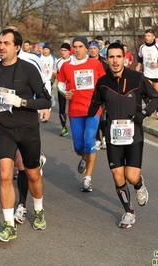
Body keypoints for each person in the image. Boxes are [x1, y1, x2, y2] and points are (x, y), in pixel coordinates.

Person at [0, 28, 52, 242]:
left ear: (16, 47)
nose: (1, 46)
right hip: (3, 128)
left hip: (27, 129)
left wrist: (23, 103)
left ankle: (39, 209)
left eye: (6, 43)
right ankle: (8, 225)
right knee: (5, 174)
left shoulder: (28, 69)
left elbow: (46, 100)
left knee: (32, 174)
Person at [88, 43, 158, 228]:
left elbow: (156, 98)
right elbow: (94, 104)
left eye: (118, 57)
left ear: (125, 59)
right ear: (107, 59)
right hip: (113, 137)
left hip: (134, 135)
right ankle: (129, 212)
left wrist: (143, 114)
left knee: (131, 176)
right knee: (118, 177)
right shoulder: (103, 82)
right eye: (111, 57)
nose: (115, 61)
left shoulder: (137, 78)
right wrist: (86, 120)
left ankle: (139, 185)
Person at [57, 36, 105, 192]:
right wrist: (65, 94)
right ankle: (84, 156)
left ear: (86, 48)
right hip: (75, 110)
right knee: (79, 146)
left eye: (80, 46)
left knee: (90, 141)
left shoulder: (95, 64)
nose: (77, 49)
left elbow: (103, 84)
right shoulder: (66, 66)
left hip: (93, 109)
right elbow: (60, 84)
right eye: (75, 47)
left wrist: (103, 99)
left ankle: (88, 178)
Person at [136, 29, 158, 120]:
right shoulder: (142, 47)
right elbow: (139, 57)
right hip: (146, 73)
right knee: (145, 93)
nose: (146, 37)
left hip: (156, 74)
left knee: (156, 95)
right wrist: (139, 65)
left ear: (153, 37)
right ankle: (149, 110)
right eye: (145, 36)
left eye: (148, 36)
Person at [88, 40, 107, 151]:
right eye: (90, 49)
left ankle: (104, 137)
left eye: (94, 48)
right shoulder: (86, 61)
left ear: (98, 49)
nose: (93, 50)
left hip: (102, 92)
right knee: (94, 116)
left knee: (102, 116)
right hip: (90, 94)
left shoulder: (104, 62)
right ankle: (97, 139)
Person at [55, 42, 72, 137]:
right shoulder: (58, 61)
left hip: (72, 88)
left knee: (74, 107)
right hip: (61, 88)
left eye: (65, 50)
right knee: (62, 108)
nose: (63, 52)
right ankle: (64, 127)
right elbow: (55, 74)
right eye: (61, 50)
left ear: (69, 51)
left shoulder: (73, 60)